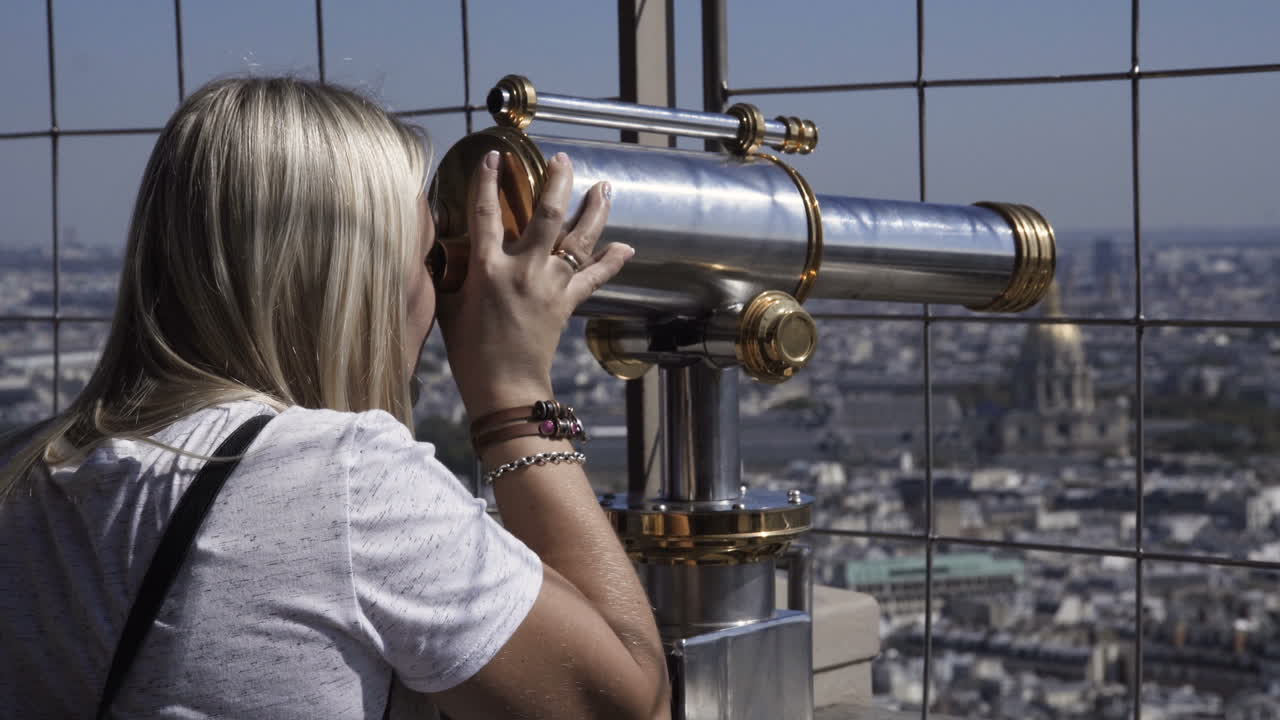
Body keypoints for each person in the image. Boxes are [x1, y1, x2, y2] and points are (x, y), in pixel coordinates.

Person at [0, 77, 670, 719]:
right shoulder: (345, 484)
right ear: (353, 286)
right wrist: (514, 394)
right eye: (429, 262)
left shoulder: (26, 475)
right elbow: (626, 706)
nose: (440, 299)